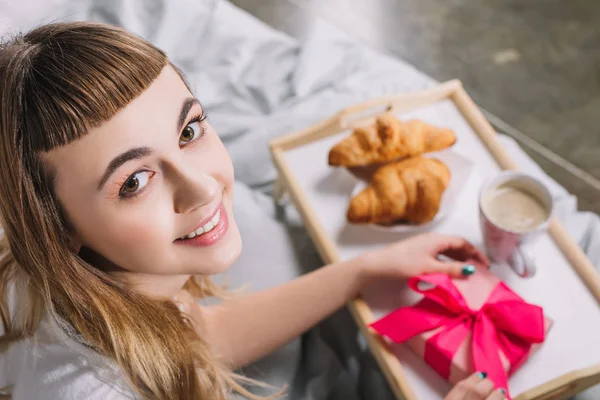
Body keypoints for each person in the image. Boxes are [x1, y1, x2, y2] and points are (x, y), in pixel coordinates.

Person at [0, 22, 506, 400]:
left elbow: (199, 339)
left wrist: (358, 272)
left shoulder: (97, 284)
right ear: (54, 227)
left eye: (190, 131)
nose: (202, 187)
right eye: (133, 182)